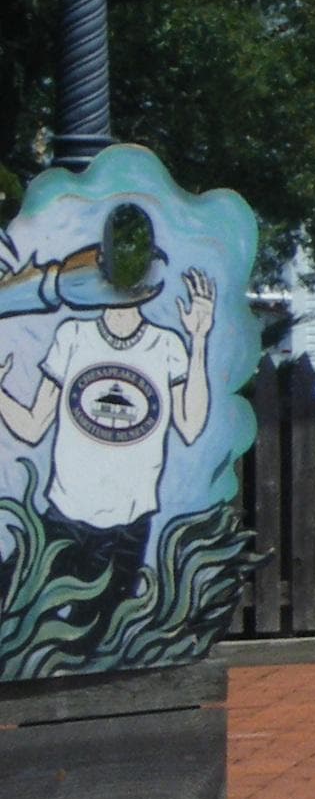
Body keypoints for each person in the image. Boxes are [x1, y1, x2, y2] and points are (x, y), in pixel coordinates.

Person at [0, 227, 216, 644]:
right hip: (65, 518)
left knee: (98, 641)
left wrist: (200, 340)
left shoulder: (166, 345)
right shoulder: (73, 337)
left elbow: (190, 426)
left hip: (129, 527)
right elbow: (31, 426)